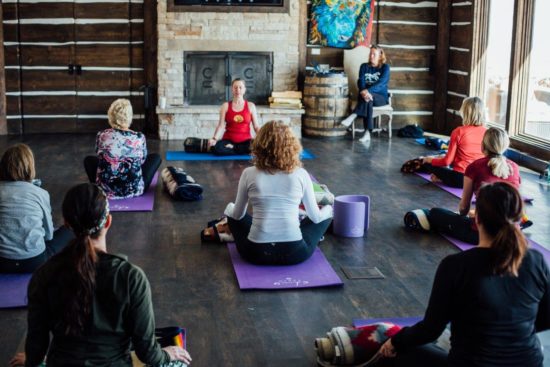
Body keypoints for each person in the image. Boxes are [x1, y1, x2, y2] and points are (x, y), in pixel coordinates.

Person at [9, 183, 192, 367]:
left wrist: (35, 361)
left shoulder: (44, 274)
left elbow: (35, 348)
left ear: (66, 224)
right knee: (180, 361)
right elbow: (148, 353)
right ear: (108, 222)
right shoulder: (131, 277)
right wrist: (166, 355)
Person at [380, 182, 550, 367]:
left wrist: (395, 341)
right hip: (530, 362)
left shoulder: (455, 266)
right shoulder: (536, 260)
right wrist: (514, 331)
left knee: (398, 349)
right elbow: (547, 316)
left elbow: (430, 330)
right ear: (518, 218)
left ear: (477, 220)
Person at [224, 121, 333, 265]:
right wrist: (329, 209)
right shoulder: (301, 174)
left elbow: (237, 215)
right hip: (295, 253)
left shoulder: (248, 173)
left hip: (255, 253)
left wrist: (229, 208)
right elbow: (315, 217)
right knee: (323, 215)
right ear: (292, 146)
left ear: (259, 145)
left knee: (233, 214)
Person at [406, 127, 525, 245]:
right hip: (511, 236)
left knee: (435, 213)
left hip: (482, 235)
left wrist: (468, 215)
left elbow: (463, 208)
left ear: (483, 146)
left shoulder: (475, 166)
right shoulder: (514, 167)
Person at [0, 144, 73, 273]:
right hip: (35, 262)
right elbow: (49, 234)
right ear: (30, 166)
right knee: (69, 231)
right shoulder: (40, 193)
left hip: (2, 262)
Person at [84, 98, 162, 199]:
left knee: (89, 160)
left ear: (111, 116)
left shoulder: (101, 135)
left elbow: (99, 155)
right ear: (129, 117)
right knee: (156, 157)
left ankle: (102, 186)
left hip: (105, 191)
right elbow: (142, 161)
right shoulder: (139, 137)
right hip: (134, 190)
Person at [420, 97, 487, 188]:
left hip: (460, 179)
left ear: (465, 112)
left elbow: (447, 161)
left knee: (426, 162)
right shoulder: (487, 132)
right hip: (480, 180)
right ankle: (441, 178)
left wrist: (429, 159)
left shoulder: (458, 131)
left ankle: (441, 177)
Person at [341, 45, 390, 142]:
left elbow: (382, 83)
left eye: (374, 54)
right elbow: (361, 81)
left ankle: (354, 115)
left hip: (380, 97)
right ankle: (367, 133)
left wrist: (368, 91)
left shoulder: (385, 67)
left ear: (380, 56)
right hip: (365, 95)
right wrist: (363, 91)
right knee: (368, 100)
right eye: (370, 53)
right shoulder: (364, 66)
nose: (371, 56)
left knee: (368, 98)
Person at [209, 78, 260, 155]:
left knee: (256, 147)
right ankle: (238, 149)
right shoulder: (225, 106)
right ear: (232, 90)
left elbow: (256, 127)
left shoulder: (251, 106)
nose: (238, 90)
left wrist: (262, 138)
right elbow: (221, 126)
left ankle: (233, 148)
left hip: (246, 141)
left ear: (244, 90)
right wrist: (214, 139)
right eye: (235, 87)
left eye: (240, 87)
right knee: (216, 148)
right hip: (228, 140)